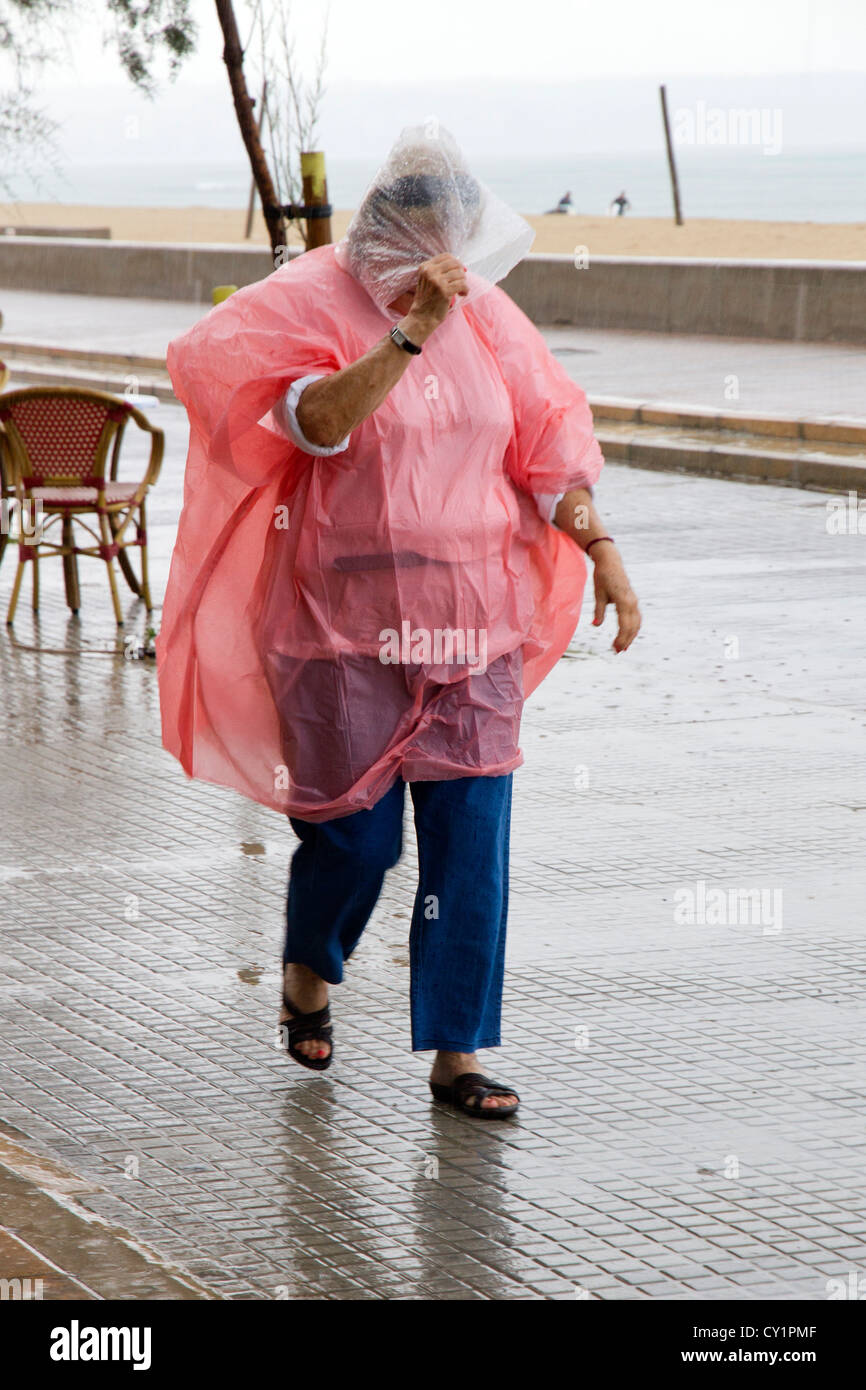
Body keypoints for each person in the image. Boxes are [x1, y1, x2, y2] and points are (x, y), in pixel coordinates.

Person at [158, 125, 641, 1118]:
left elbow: (549, 452)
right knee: (356, 843)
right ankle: (308, 968)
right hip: (339, 635)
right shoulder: (310, 304)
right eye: (416, 239)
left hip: (471, 630)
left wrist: (600, 549)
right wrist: (409, 331)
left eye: (449, 239)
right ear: (380, 230)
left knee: (470, 844)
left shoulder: (490, 316)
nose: (437, 261)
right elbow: (317, 422)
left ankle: (457, 1054)